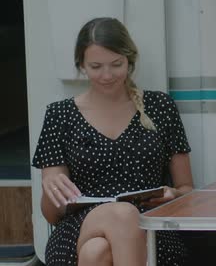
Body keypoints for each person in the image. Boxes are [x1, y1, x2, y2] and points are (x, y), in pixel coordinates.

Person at [32, 17, 194, 266]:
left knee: (96, 253)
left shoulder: (160, 106)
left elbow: (187, 191)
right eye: (96, 66)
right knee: (122, 214)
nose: (107, 75)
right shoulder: (60, 114)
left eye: (116, 64)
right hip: (78, 227)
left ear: (130, 62)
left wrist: (173, 194)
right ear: (81, 65)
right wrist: (50, 188)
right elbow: (53, 216)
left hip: (151, 226)